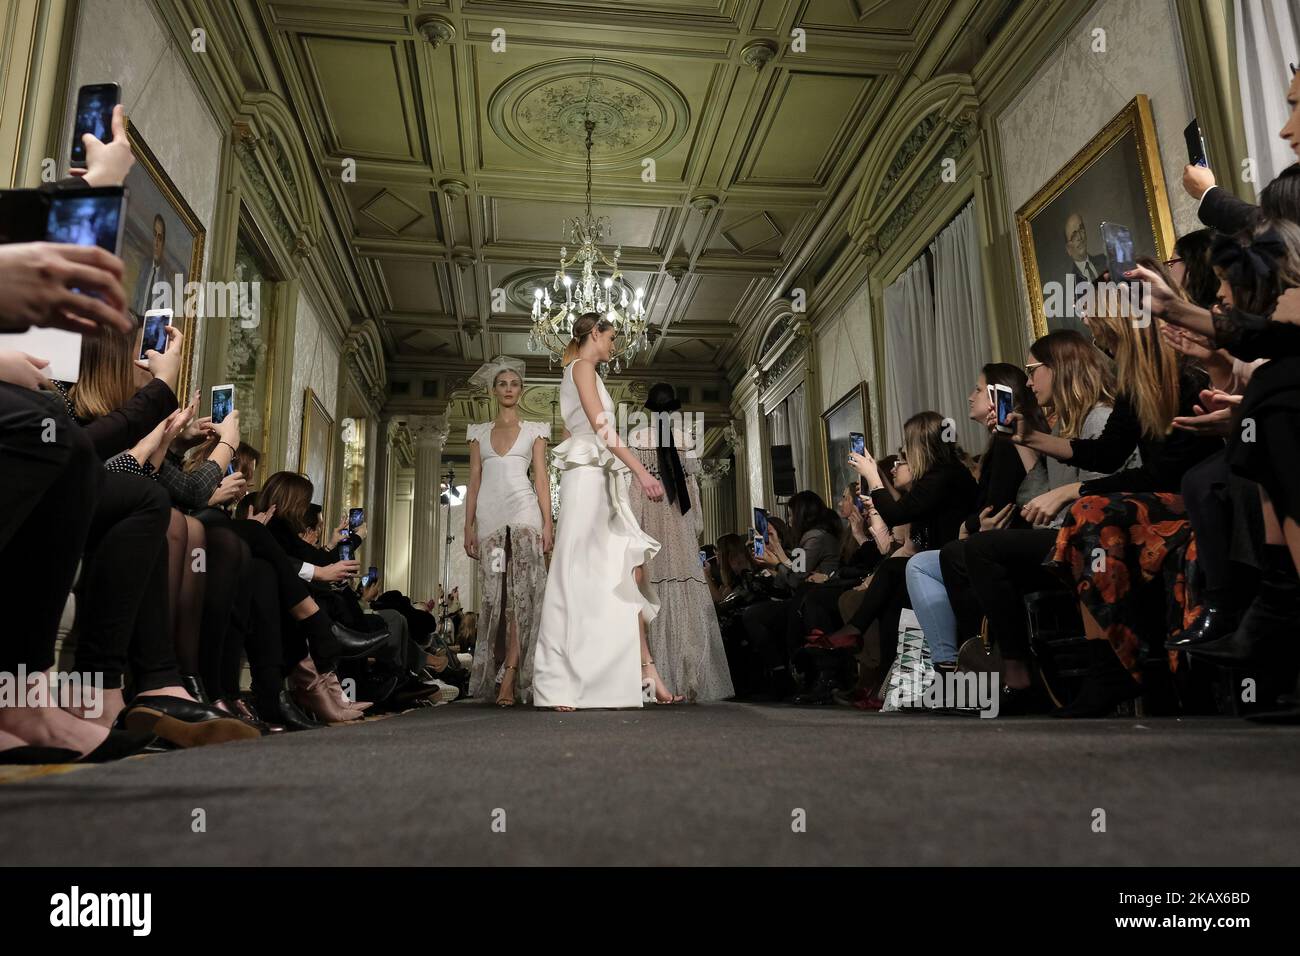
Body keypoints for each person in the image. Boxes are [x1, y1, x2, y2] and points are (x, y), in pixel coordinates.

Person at [532, 313, 665, 710]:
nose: (614, 345)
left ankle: (608, 678)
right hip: (588, 479)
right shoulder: (583, 368)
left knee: (606, 570)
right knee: (577, 569)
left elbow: (573, 433)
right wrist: (641, 471)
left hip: (594, 477)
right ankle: (562, 682)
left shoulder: (580, 371)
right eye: (611, 337)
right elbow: (602, 429)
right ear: (595, 334)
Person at [628, 383, 733, 702]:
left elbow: (634, 491)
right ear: (674, 408)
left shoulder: (637, 439)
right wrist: (694, 528)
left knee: (652, 595)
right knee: (685, 596)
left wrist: (634, 529)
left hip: (651, 528)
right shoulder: (687, 438)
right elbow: (694, 497)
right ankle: (691, 677)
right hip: (680, 527)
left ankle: (656, 677)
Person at [462, 355, 552, 706]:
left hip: (525, 514)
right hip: (490, 519)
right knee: (493, 598)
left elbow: (542, 479)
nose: (509, 389)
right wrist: (468, 526)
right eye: (503, 384)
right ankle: (498, 668)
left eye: (514, 383)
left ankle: (511, 676)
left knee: (521, 597)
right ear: (494, 390)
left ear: (522, 389)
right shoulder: (477, 433)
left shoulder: (536, 430)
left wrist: (548, 522)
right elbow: (473, 479)